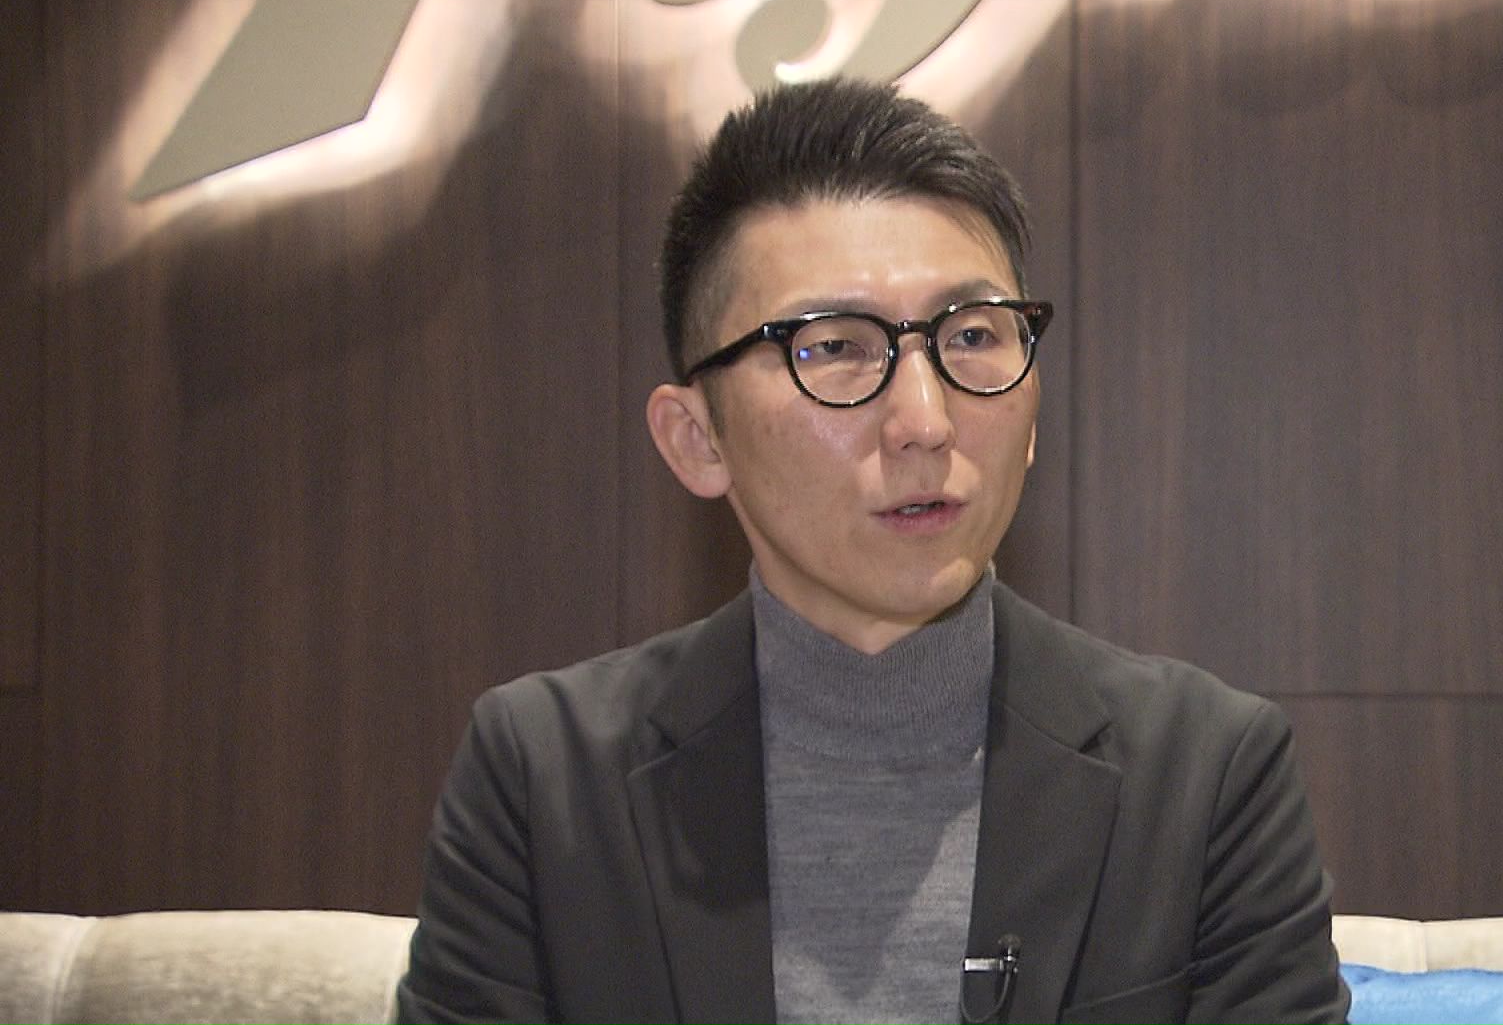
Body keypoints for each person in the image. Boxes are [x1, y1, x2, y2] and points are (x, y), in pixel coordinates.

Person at [396, 78, 1350, 1025]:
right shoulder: (545, 781)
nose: (926, 421)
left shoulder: (1206, 775)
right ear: (698, 438)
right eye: (836, 347)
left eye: (971, 336)